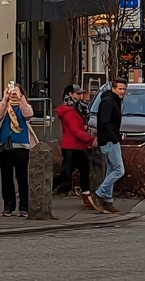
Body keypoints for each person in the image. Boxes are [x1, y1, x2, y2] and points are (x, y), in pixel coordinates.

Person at [0, 83, 37, 217]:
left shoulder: (24, 106)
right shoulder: (5, 106)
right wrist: (4, 99)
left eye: (16, 92)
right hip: (4, 146)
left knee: (21, 177)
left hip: (21, 145)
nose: (13, 94)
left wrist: (21, 99)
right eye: (11, 92)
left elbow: (28, 114)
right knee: (6, 177)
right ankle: (8, 207)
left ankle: (24, 207)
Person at [89, 77, 127, 214]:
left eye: (124, 89)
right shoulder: (109, 102)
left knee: (111, 170)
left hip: (110, 139)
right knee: (119, 170)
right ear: (113, 88)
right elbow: (104, 123)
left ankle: (108, 201)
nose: (122, 91)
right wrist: (114, 136)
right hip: (109, 141)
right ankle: (98, 194)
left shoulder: (112, 100)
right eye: (120, 89)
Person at [54, 84, 95, 208]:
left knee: (84, 170)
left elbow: (79, 127)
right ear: (70, 94)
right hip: (71, 147)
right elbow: (75, 131)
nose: (80, 96)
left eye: (80, 93)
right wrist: (90, 140)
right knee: (65, 174)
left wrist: (84, 126)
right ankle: (45, 187)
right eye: (77, 93)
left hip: (77, 147)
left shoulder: (77, 108)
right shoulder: (69, 111)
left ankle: (86, 196)